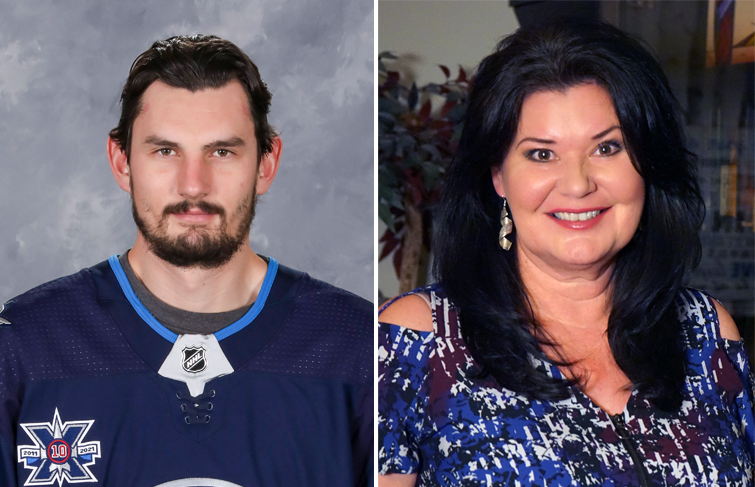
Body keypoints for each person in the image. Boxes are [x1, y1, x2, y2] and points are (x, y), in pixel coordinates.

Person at [378, 22, 754, 486]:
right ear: (499, 177)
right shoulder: (417, 341)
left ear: (647, 166)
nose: (578, 184)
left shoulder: (707, 333)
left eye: (607, 147)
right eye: (541, 154)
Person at [0, 35, 372, 486]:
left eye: (222, 152)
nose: (193, 185)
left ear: (266, 164)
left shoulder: (358, 347)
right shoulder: (22, 348)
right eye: (165, 151)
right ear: (121, 162)